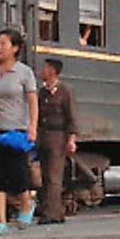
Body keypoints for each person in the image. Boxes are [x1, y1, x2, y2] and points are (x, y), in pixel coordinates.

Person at [0, 28, 38, 234]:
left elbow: (32, 101)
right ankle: (1, 222)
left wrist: (32, 126)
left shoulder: (24, 72)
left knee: (17, 175)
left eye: (3, 44)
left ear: (15, 48)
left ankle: (27, 205)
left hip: (15, 130)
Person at [35, 58, 78, 224]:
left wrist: (71, 139)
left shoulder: (65, 91)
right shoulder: (42, 92)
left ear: (53, 71)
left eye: (45, 68)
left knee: (54, 176)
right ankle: (56, 212)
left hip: (58, 137)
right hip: (44, 136)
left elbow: (72, 116)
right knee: (45, 176)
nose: (42, 71)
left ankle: (50, 214)